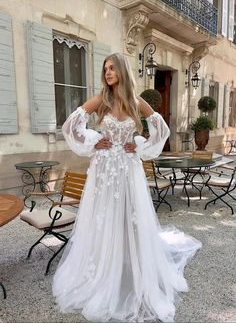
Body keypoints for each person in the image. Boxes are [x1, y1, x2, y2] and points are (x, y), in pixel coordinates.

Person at [52, 53, 201, 322]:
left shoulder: (135, 101)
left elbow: (162, 130)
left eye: (112, 68)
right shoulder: (101, 99)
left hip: (128, 169)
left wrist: (141, 143)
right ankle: (102, 269)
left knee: (129, 217)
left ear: (122, 70)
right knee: (104, 215)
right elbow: (70, 125)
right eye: (105, 69)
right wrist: (94, 139)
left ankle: (128, 268)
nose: (108, 73)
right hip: (103, 168)